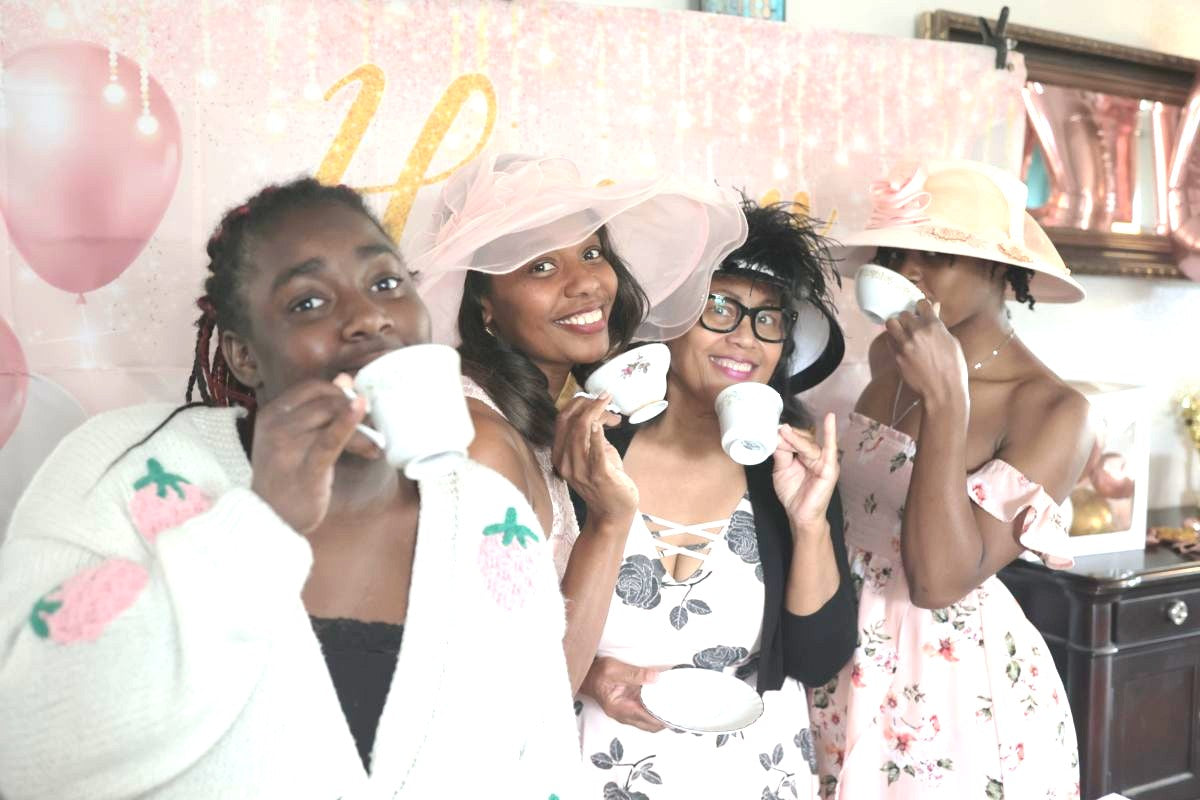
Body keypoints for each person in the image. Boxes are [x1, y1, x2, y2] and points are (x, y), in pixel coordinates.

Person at [0, 178, 581, 800]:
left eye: (386, 283)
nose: (367, 318)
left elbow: (542, 762)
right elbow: (28, 745)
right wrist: (261, 520)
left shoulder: (489, 514)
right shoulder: (125, 466)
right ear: (244, 356)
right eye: (308, 303)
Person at [413, 153, 747, 690]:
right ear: (483, 307)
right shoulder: (482, 443)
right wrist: (613, 519)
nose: (586, 283)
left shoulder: (536, 422)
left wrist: (599, 678)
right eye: (541, 266)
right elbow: (537, 692)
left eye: (591, 253)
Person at [810, 160, 1090, 799]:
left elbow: (938, 581)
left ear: (998, 266)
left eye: (937, 255)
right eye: (898, 252)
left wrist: (949, 403)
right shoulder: (887, 357)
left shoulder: (1052, 410)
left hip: (947, 682)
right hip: (836, 645)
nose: (909, 271)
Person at [572, 199, 858, 799]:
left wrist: (808, 523)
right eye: (719, 308)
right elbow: (509, 632)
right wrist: (590, 674)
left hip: (751, 772)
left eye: (768, 318)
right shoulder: (590, 451)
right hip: (592, 761)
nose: (745, 339)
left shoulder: (793, 472)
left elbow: (815, 659)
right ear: (668, 320)